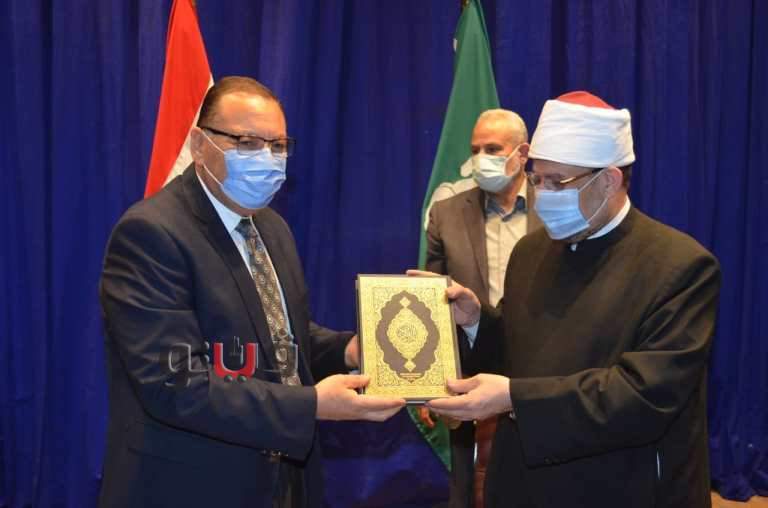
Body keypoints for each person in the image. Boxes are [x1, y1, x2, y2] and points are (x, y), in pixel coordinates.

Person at [98, 76, 404, 508]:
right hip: (191, 486)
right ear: (200, 144)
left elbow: (278, 336)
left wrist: (348, 351)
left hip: (284, 481)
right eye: (247, 143)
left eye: (278, 145)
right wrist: (310, 405)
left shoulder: (271, 226)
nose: (267, 158)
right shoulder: (151, 233)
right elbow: (176, 382)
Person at [423, 91, 721, 508]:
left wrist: (513, 398)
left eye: (557, 182)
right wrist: (475, 321)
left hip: (620, 486)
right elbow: (515, 349)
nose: (543, 194)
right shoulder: (531, 251)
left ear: (609, 181)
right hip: (523, 483)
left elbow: (643, 395)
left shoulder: (680, 266)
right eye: (537, 179)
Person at [424, 109, 540, 508]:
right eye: (475, 150)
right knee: (470, 489)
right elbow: (433, 301)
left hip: (541, 369)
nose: (480, 159)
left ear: (522, 154)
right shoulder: (446, 214)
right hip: (470, 366)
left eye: (493, 149)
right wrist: (430, 379)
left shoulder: (556, 209)